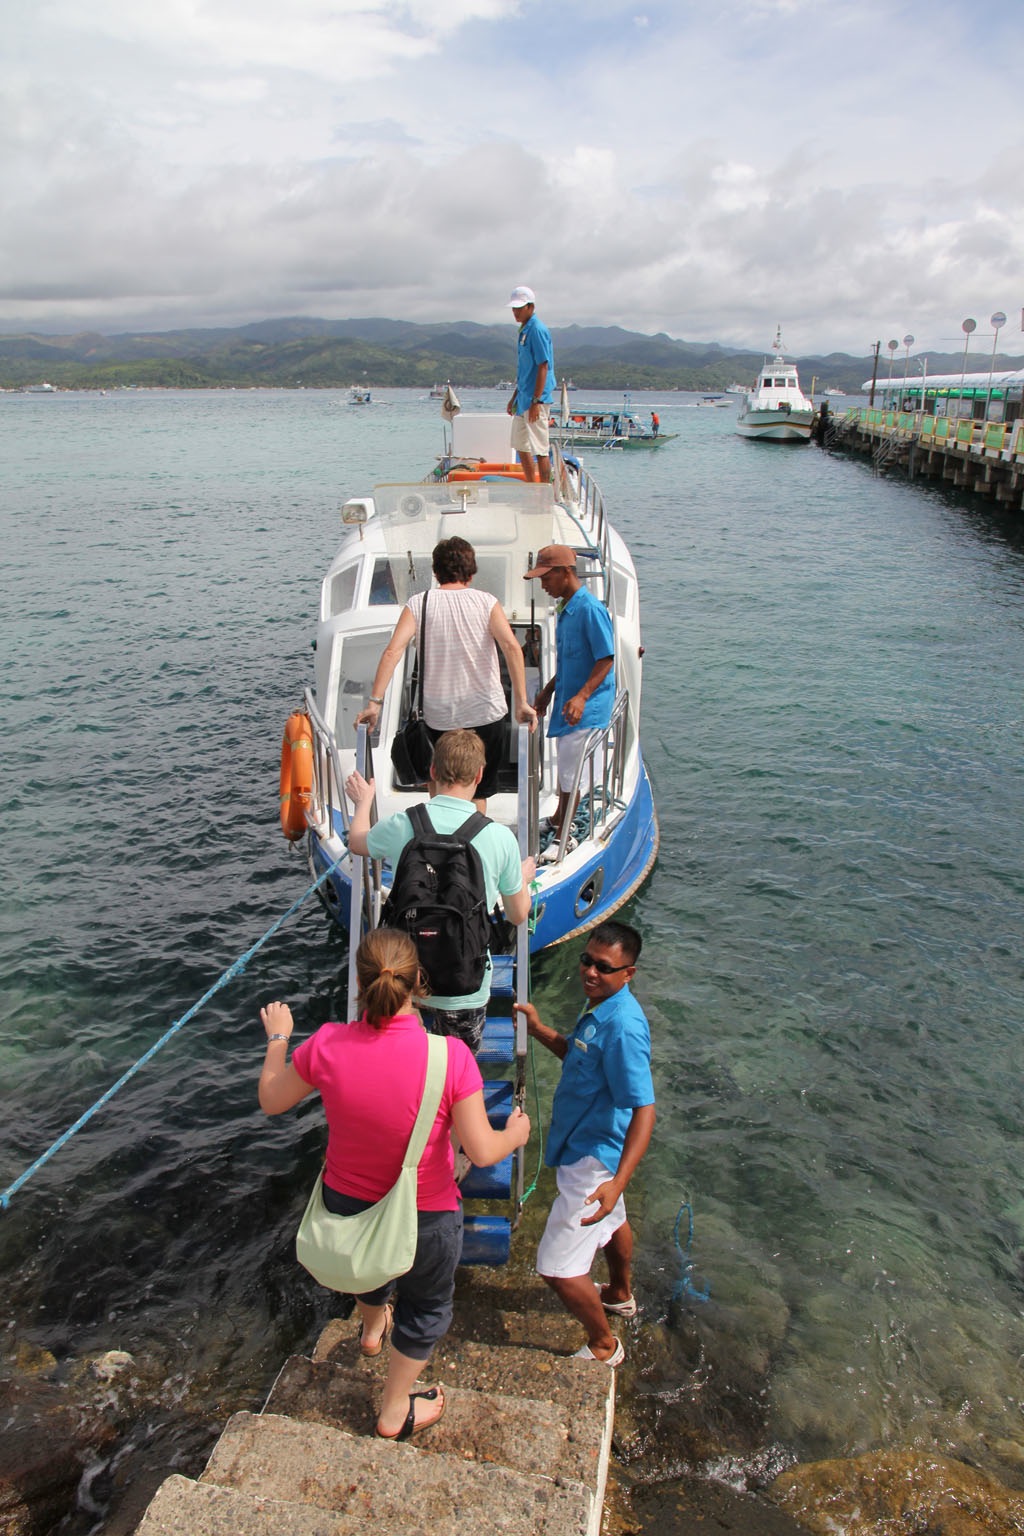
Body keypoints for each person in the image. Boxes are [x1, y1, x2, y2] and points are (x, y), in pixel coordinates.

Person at [259, 928, 530, 1439]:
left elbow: (272, 1099)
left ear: (361, 984)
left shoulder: (326, 1044)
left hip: (347, 1205)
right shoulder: (450, 1057)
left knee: (369, 1274)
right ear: (418, 983)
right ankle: (392, 1408)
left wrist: (278, 1038)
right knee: (426, 1307)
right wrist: (516, 1132)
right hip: (425, 1215)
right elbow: (482, 1151)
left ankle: (370, 1329)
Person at [514, 921, 654, 1366]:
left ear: (628, 973)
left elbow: (644, 1111)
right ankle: (619, 1293)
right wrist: (539, 1030)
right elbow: (580, 1058)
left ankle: (603, 1344)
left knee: (556, 1268)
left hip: (593, 1159)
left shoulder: (624, 1028)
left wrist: (615, 1182)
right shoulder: (601, 1006)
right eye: (587, 961)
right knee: (613, 1223)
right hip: (589, 1147)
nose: (591, 972)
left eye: (605, 967)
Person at [345, 729, 535, 1053]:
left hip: (404, 977)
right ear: (479, 775)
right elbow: (518, 914)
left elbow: (357, 841)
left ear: (432, 772)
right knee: (457, 1072)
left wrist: (364, 802)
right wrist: (522, 879)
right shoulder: (499, 837)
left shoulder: (403, 823)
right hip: (465, 983)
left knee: (405, 1060)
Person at [356, 536, 536, 810]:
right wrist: (521, 702)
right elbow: (512, 647)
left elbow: (393, 651)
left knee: (440, 786)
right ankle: (472, 845)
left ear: (435, 571)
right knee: (477, 793)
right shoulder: (486, 602)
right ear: (472, 572)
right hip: (486, 712)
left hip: (440, 716)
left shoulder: (419, 603)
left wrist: (374, 703)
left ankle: (439, 841)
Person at [523, 544, 615, 860]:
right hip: (568, 703)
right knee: (565, 768)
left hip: (585, 709)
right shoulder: (566, 608)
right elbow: (570, 661)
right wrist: (549, 691)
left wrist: (582, 696)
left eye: (546, 578)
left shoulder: (589, 609)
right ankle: (560, 818)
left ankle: (567, 834)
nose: (543, 585)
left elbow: (606, 658)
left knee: (571, 772)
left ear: (565, 573)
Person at [505, 286, 556, 484]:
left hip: (536, 399)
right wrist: (514, 397)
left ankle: (544, 492)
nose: (515, 312)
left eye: (520, 308)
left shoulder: (537, 329)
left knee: (540, 448)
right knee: (520, 444)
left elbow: (543, 365)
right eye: (513, 308)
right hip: (523, 397)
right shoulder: (524, 330)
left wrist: (536, 401)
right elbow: (526, 371)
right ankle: (530, 485)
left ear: (531, 307)